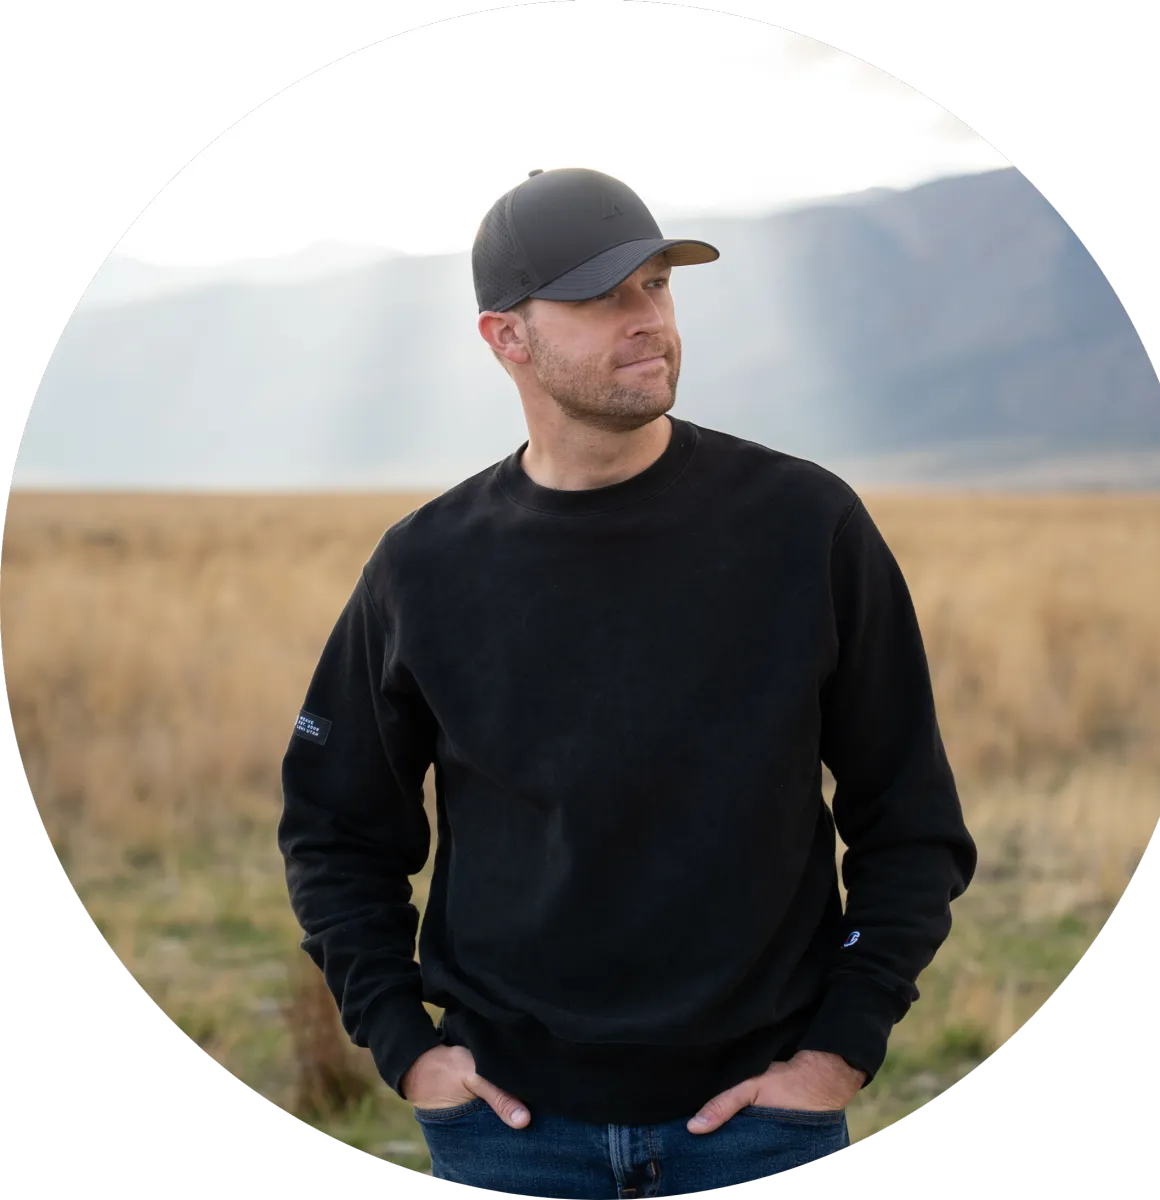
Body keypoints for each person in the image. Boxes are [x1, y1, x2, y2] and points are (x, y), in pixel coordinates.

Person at [279, 167, 977, 1198]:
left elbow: (911, 822)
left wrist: (839, 1051)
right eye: (605, 295)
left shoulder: (806, 527)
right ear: (506, 339)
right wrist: (404, 1046)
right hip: (510, 1135)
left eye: (657, 283)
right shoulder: (421, 568)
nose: (647, 319)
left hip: (759, 1127)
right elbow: (335, 831)